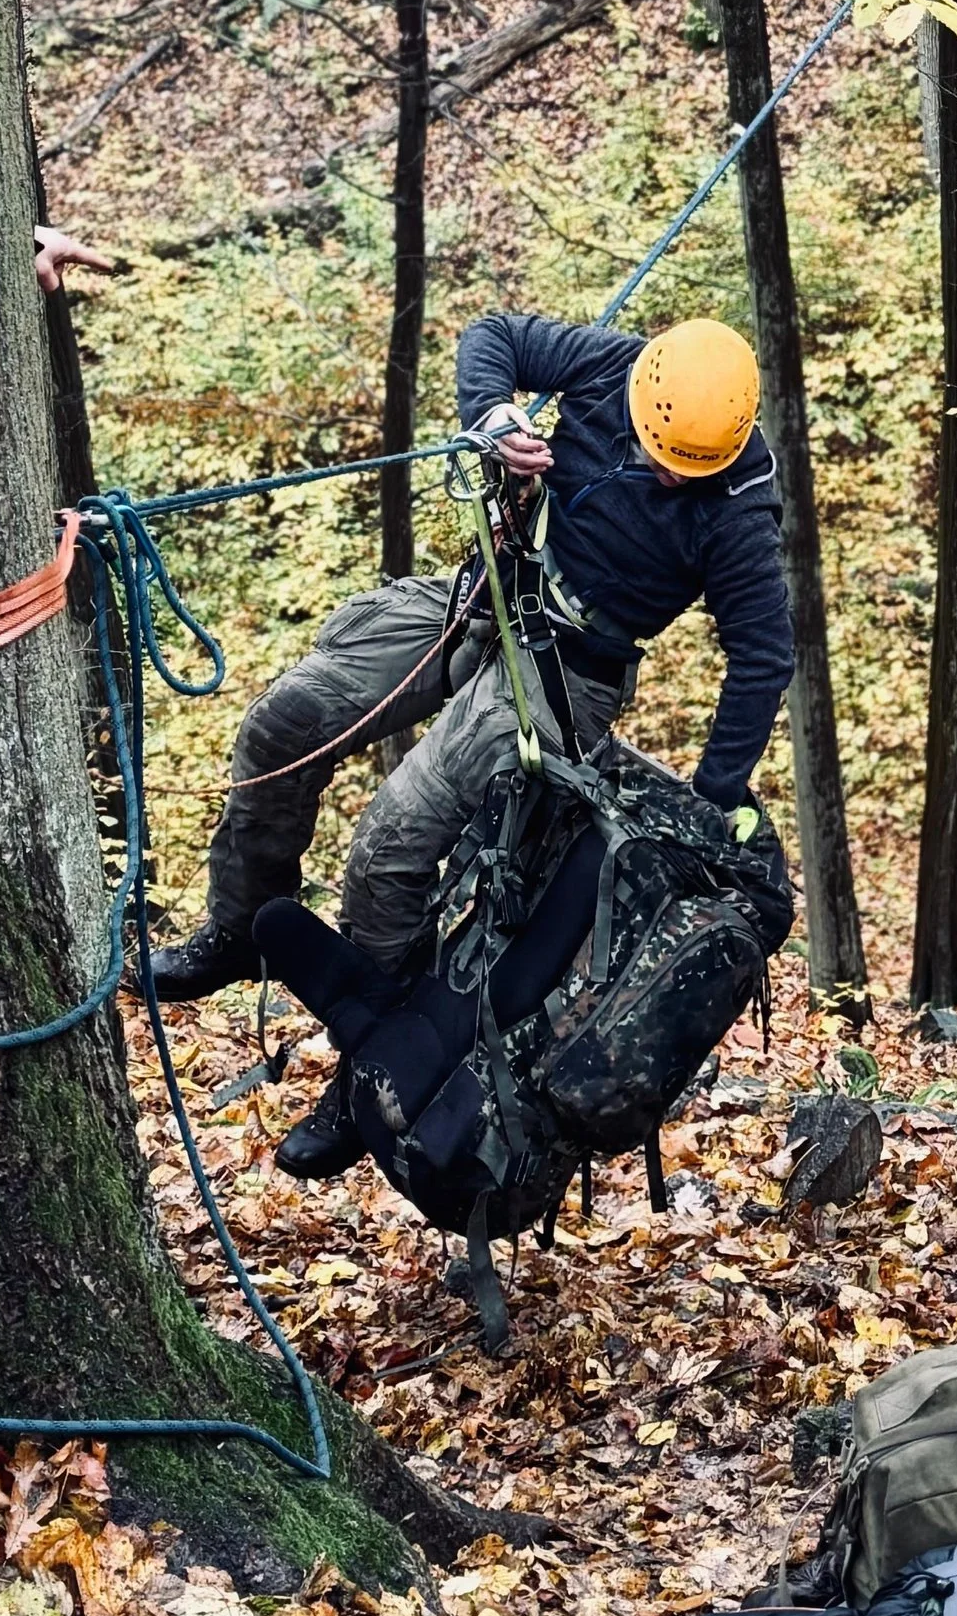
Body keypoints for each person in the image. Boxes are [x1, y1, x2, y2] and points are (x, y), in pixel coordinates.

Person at [147, 309, 794, 1175]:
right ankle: (238, 929)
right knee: (282, 724)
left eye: (682, 471)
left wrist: (717, 795)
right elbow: (496, 337)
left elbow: (763, 655)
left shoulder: (736, 512)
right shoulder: (619, 367)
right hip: (488, 589)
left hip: (568, 667)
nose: (660, 476)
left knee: (389, 846)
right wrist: (496, 417)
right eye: (654, 452)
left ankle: (374, 1066)